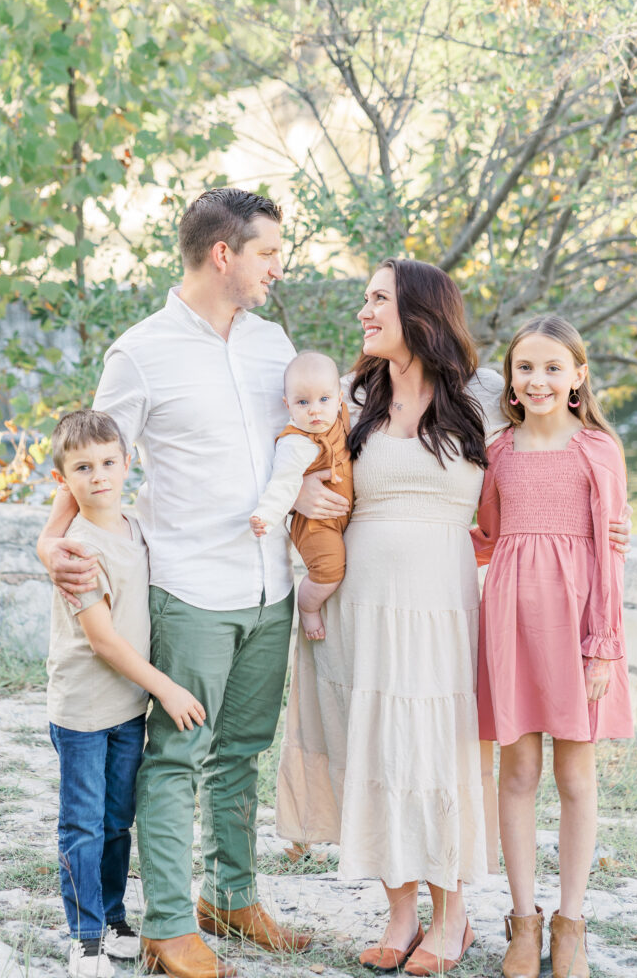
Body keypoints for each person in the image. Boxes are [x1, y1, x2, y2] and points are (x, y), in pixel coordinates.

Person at [37, 188, 315, 978]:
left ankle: (231, 896)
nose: (277, 266)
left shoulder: (272, 343)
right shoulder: (139, 350)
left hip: (270, 587)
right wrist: (51, 539)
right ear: (223, 255)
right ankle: (164, 923)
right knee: (179, 756)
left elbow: (295, 440)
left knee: (243, 753)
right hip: (189, 588)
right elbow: (91, 457)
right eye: (267, 252)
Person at [276, 258, 506, 977]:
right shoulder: (347, 398)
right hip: (357, 602)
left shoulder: (484, 397)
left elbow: (557, 444)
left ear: (420, 311)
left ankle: (452, 916)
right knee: (371, 747)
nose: (363, 312)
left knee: (437, 749)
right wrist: (302, 494)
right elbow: (295, 468)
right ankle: (399, 911)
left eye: (377, 299)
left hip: (441, 604)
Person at [471, 316, 633, 978]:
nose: (537, 379)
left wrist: (602, 645)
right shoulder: (497, 452)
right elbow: (483, 536)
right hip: (509, 622)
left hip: (578, 629)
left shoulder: (597, 450)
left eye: (551, 368)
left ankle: (569, 922)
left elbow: (609, 556)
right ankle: (522, 919)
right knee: (515, 774)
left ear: (577, 376)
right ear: (509, 378)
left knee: (573, 775)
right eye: (525, 368)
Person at [47, 410, 205, 978]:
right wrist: (167, 689)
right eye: (83, 468)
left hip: (125, 709)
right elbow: (105, 641)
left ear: (128, 463)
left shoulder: (134, 527)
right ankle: (84, 936)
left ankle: (112, 919)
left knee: (116, 819)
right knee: (83, 822)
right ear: (63, 481)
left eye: (109, 462)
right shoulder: (78, 551)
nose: (99, 476)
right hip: (84, 709)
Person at [250, 350, 354, 641]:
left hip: (341, 516)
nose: (315, 411)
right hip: (314, 523)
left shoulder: (341, 418)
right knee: (329, 571)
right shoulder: (296, 442)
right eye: (302, 402)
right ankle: (308, 608)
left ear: (339, 397)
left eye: (324, 399)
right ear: (288, 405)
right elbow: (282, 484)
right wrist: (266, 517)